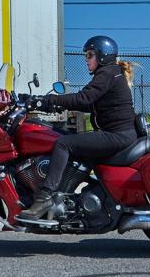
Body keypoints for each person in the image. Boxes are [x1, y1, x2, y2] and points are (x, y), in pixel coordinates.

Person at [19, 35, 137, 221]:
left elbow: (84, 98)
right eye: (86, 56)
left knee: (63, 143)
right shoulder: (112, 73)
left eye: (90, 55)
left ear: (102, 56)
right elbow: (89, 104)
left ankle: (45, 197)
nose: (86, 59)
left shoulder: (106, 73)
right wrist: (54, 105)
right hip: (119, 134)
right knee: (66, 137)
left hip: (117, 136)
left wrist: (47, 100)